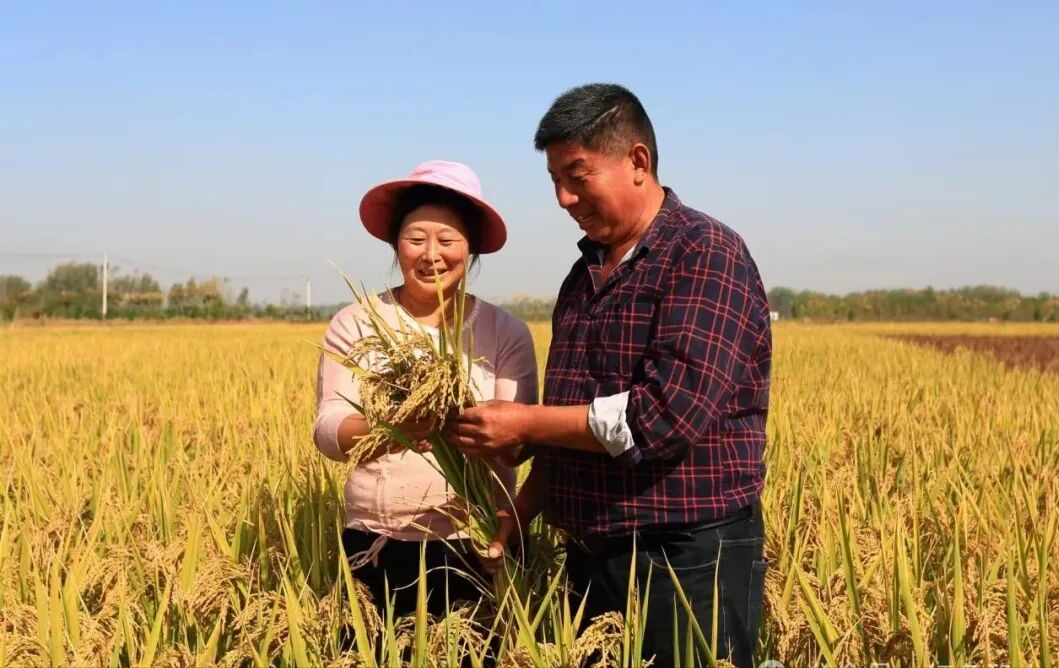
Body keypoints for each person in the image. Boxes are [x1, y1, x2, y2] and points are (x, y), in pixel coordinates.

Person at [444, 84, 772, 668]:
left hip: (686, 556)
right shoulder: (582, 276)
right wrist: (519, 512)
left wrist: (524, 420)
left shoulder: (704, 253)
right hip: (592, 555)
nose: (564, 198)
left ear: (638, 162)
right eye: (554, 181)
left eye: (578, 175)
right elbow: (568, 424)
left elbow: (661, 418)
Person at [313, 160, 538, 622]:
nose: (430, 253)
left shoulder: (505, 332)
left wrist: (475, 426)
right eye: (415, 239)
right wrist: (390, 427)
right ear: (397, 246)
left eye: (447, 240)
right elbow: (328, 429)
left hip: (476, 541)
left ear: (470, 248)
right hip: (377, 541)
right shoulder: (356, 323)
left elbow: (517, 448)